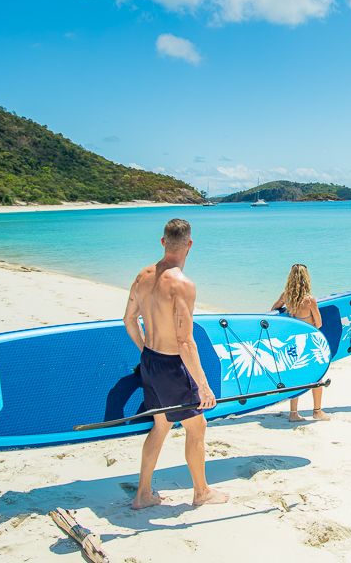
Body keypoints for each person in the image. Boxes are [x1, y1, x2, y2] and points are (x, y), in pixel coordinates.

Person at [122, 218, 228, 509]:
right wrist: (204, 387)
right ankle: (201, 492)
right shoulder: (183, 285)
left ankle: (143, 493)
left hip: (151, 361)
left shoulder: (143, 275)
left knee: (161, 425)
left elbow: (128, 320)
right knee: (197, 427)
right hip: (171, 366)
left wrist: (146, 350)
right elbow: (184, 341)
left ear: (163, 242)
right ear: (189, 245)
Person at [271, 263, 330, 422]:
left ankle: (293, 414)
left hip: (293, 342)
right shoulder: (309, 300)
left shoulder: (286, 297)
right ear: (306, 279)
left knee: (295, 376)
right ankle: (317, 411)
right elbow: (319, 323)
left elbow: (272, 310)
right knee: (318, 375)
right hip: (309, 343)